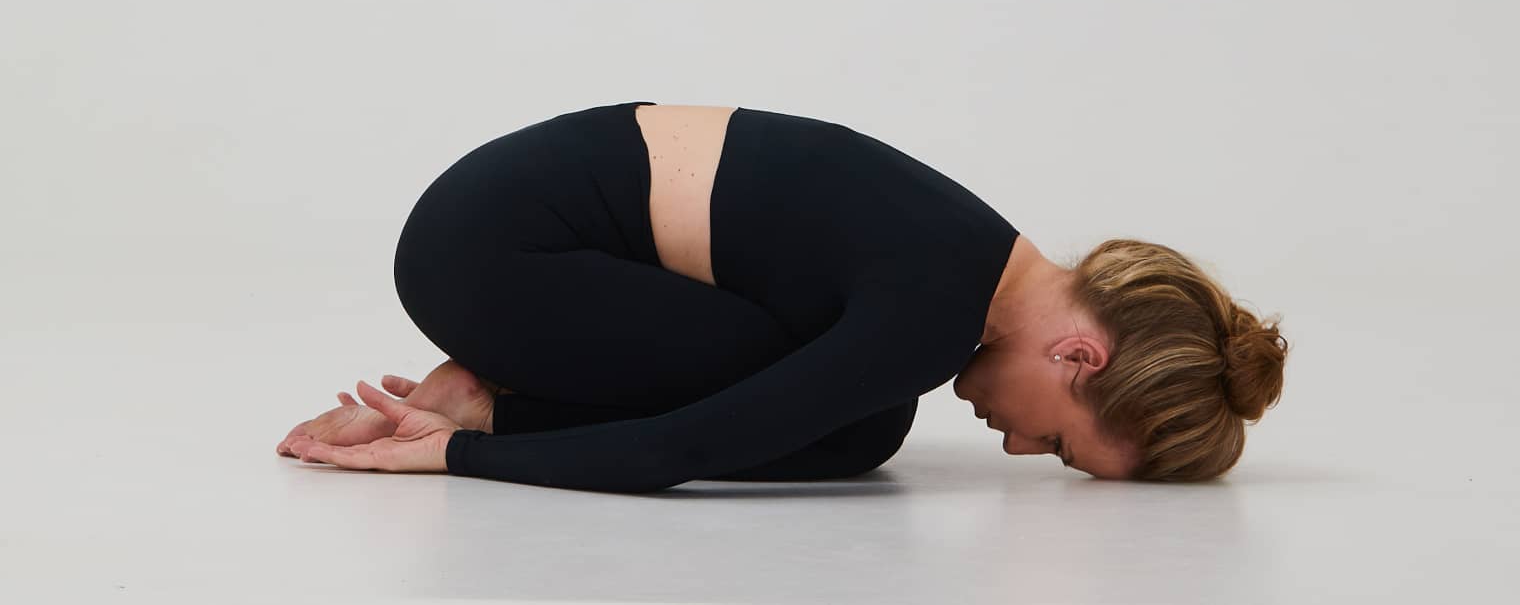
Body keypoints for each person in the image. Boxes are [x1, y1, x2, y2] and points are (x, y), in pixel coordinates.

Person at [277, 101, 1289, 492]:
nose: (1019, 450)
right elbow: (672, 454)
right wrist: (453, 457)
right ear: (1078, 357)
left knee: (853, 414)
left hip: (494, 234)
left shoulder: (974, 250)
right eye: (1059, 442)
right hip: (498, 261)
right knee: (852, 428)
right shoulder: (933, 310)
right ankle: (479, 401)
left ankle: (490, 390)